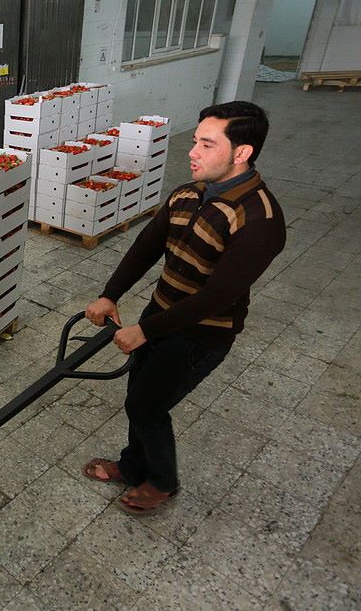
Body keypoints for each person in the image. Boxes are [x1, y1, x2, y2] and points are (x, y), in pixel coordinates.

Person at [82, 101, 286, 514]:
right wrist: (110, 294)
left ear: (242, 152)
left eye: (207, 144)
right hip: (160, 315)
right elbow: (147, 246)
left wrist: (145, 331)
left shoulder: (259, 219)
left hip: (201, 335)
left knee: (147, 406)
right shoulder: (188, 194)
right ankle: (134, 466)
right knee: (139, 396)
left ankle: (162, 482)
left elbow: (216, 298)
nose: (192, 152)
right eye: (195, 141)